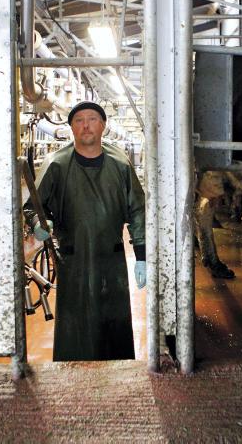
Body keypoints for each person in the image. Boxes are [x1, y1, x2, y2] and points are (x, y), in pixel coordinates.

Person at [25, 101, 146, 361]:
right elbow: (33, 206)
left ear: (103, 125)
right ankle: (73, 374)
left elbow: (137, 209)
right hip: (73, 259)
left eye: (92, 119)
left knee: (114, 327)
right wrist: (38, 223)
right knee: (75, 329)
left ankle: (117, 372)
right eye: (79, 121)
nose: (86, 126)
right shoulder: (56, 164)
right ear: (71, 128)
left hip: (111, 259)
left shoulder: (120, 165)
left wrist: (142, 254)